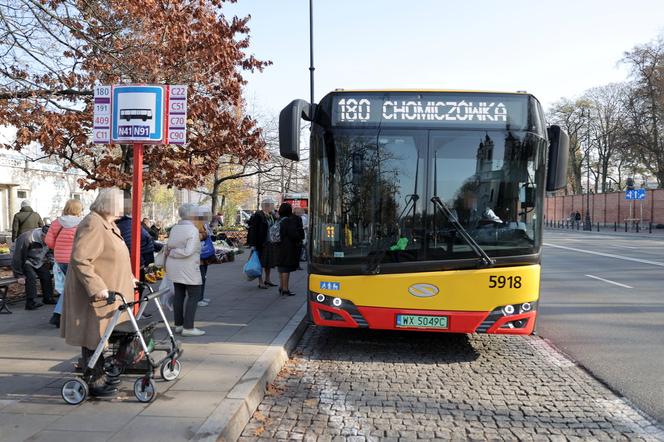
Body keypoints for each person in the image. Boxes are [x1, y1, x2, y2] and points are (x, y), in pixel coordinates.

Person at [61, 188, 134, 398]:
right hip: (98, 296)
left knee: (114, 335)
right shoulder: (93, 222)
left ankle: (107, 370)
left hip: (114, 292)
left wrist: (129, 276)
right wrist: (97, 287)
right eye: (121, 204)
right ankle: (95, 381)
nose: (124, 208)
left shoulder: (109, 224)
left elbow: (113, 256)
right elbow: (81, 259)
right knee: (94, 337)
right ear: (109, 204)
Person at [166, 204, 205, 336]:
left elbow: (169, 246)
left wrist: (172, 252)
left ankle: (178, 324)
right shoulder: (192, 230)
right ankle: (188, 327)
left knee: (179, 295)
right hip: (188, 267)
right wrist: (175, 252)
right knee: (194, 295)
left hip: (174, 267)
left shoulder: (175, 228)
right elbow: (188, 251)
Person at [44, 198, 84, 327]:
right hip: (74, 259)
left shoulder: (56, 223)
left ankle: (62, 315)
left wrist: (59, 247)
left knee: (68, 286)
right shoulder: (82, 224)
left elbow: (48, 242)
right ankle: (59, 315)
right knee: (74, 287)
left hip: (60, 259)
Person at [12, 226, 55, 309]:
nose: (49, 241)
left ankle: (48, 298)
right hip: (25, 259)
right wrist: (19, 275)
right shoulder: (27, 238)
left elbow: (49, 251)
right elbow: (18, 256)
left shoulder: (49, 239)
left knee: (46, 275)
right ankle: (30, 302)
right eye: (47, 239)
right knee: (30, 276)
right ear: (43, 235)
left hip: (37, 260)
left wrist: (51, 260)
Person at [247, 198, 277, 289]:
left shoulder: (271, 215)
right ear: (267, 206)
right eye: (272, 205)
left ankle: (267, 280)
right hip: (261, 243)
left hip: (270, 242)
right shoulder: (258, 215)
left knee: (268, 263)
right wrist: (253, 245)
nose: (273, 207)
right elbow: (253, 230)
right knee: (259, 262)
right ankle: (260, 281)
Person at [275, 203, 305, 296]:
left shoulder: (279, 220)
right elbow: (293, 234)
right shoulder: (288, 221)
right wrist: (299, 239)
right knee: (286, 268)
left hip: (278, 246)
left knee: (281, 267)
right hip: (287, 247)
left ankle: (281, 287)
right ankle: (285, 289)